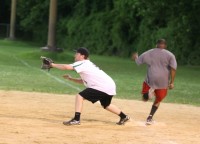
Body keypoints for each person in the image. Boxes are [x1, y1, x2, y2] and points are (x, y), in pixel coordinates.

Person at [51, 47, 130, 125]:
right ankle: (124, 116)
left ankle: (76, 119)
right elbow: (83, 81)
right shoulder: (87, 64)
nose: (75, 55)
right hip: (109, 85)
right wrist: (71, 79)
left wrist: (52, 65)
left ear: (82, 56)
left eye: (77, 54)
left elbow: (66, 67)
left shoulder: (83, 63)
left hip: (102, 86)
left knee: (80, 96)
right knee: (106, 105)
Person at [132, 39, 177, 125]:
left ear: (156, 44)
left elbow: (138, 62)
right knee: (158, 100)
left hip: (151, 79)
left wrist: (136, 57)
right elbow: (173, 69)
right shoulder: (170, 55)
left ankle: (148, 93)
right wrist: (172, 82)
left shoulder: (149, 52)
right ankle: (150, 117)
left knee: (145, 98)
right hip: (163, 82)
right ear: (165, 46)